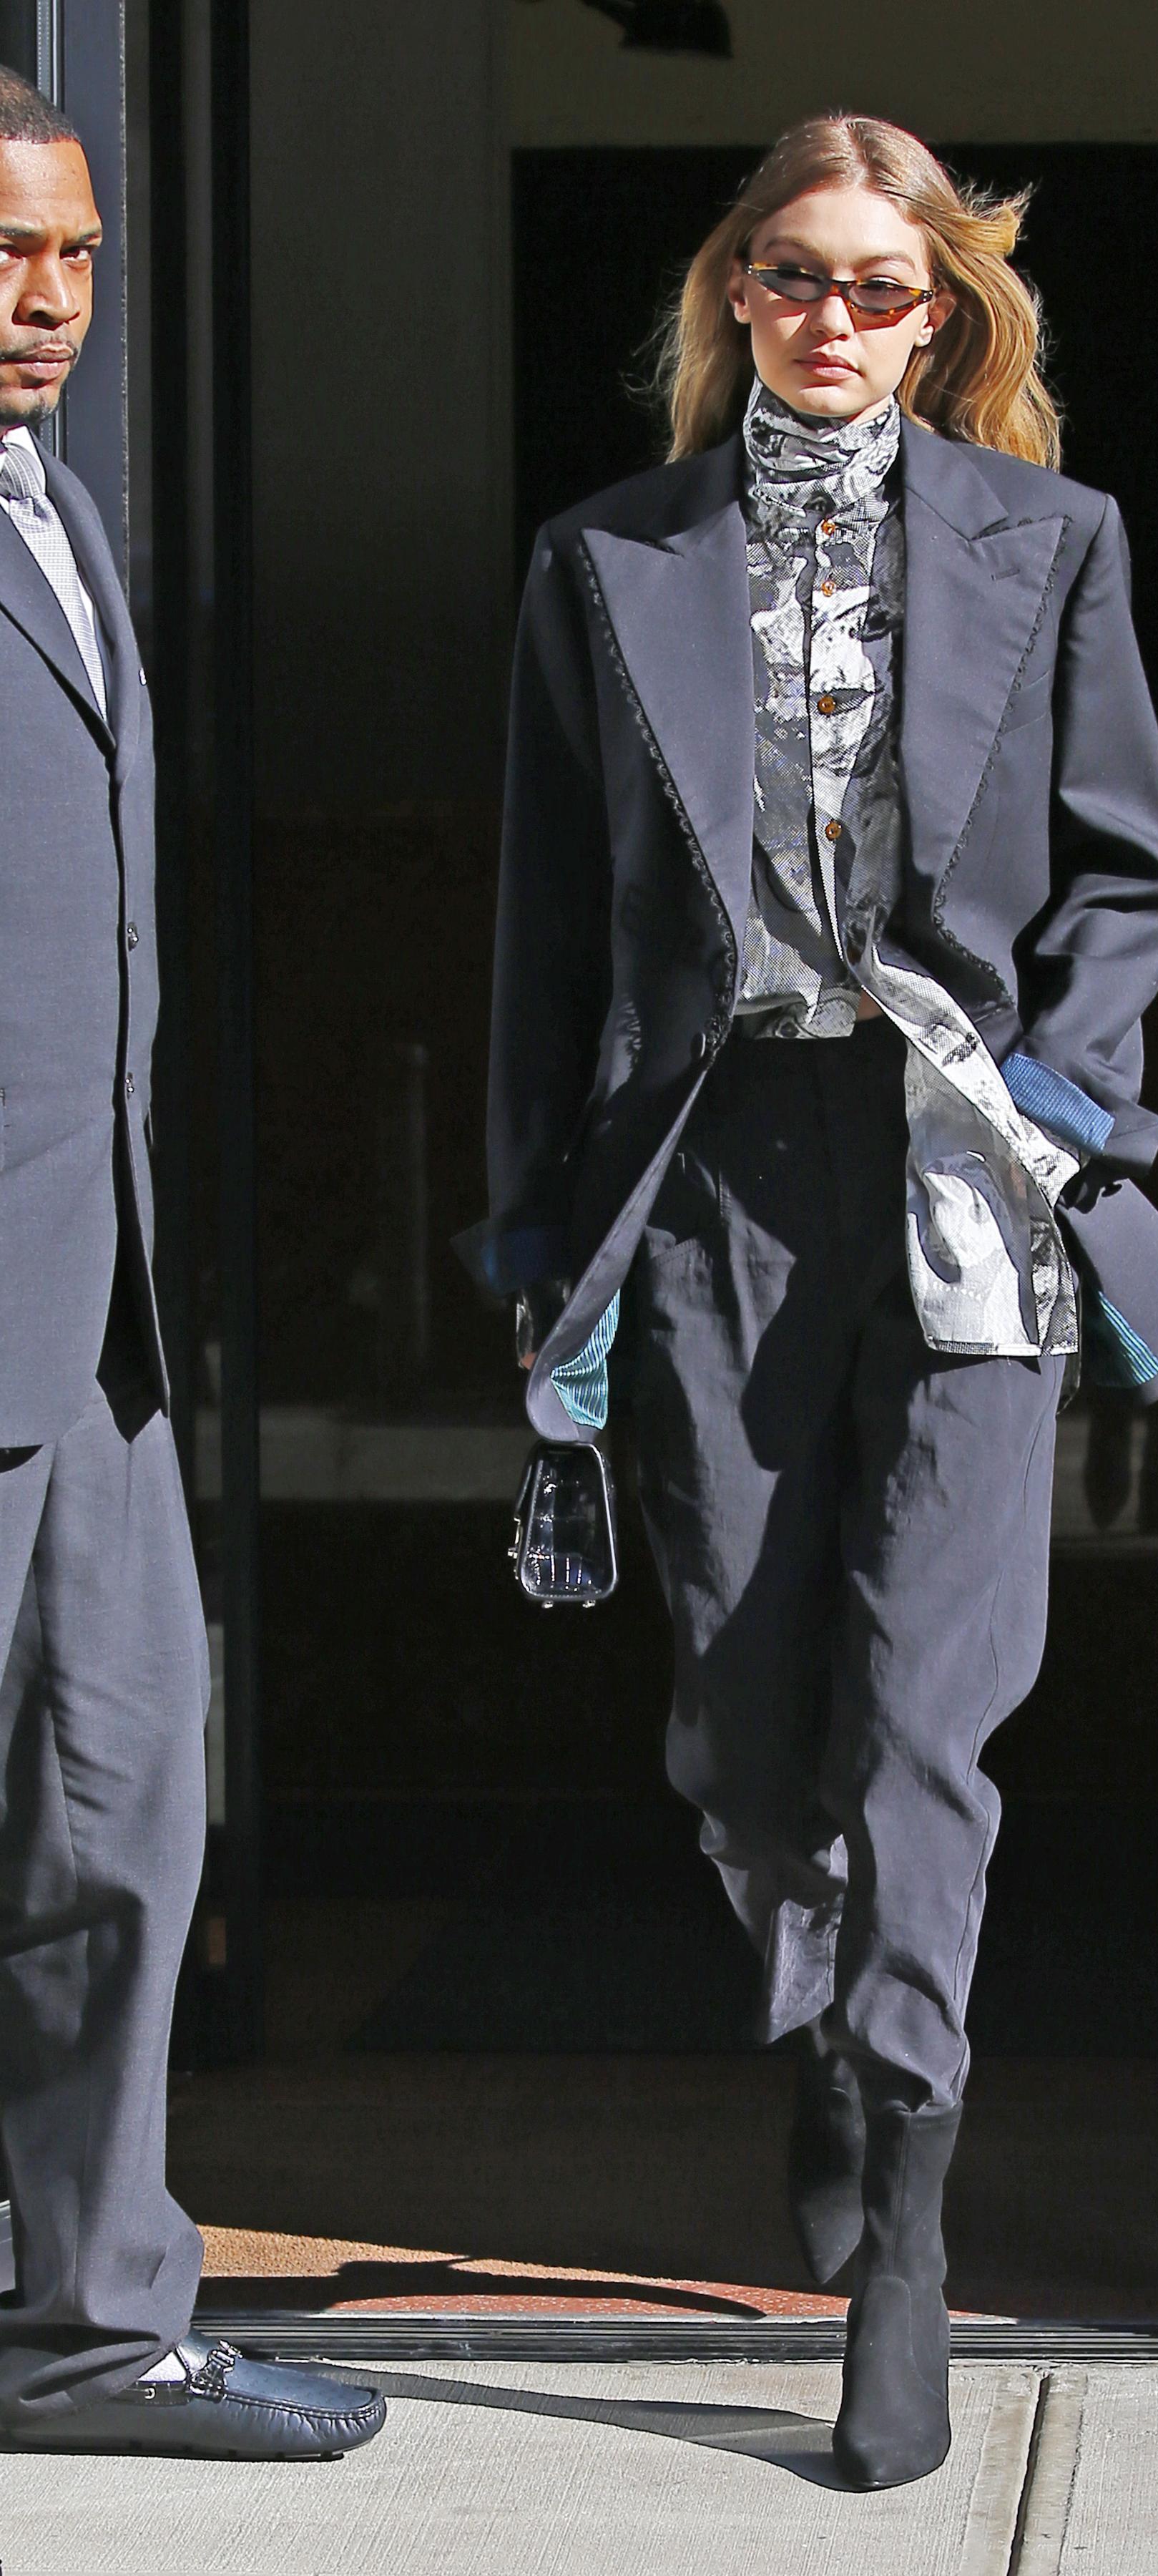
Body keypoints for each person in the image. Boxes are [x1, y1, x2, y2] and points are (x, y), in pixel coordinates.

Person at [463, 113, 1158, 2489]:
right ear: (733, 293)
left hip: (961, 1174)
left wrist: (1059, 1100)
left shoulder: (1047, 543)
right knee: (742, 1710)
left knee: (923, 1722)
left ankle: (905, 2201)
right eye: (794, 274)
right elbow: (548, 930)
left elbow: (1132, 875)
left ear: (944, 311)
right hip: (712, 1178)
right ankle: (822, 2009)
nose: (835, 318)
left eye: (885, 285)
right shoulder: (608, 561)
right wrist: (534, 1238)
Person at [0, 66, 383, 2459]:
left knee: (122, 1810)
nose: (44, 302)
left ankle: (90, 2325)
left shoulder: (55, 512)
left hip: (90, 1312)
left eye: (71, 256)